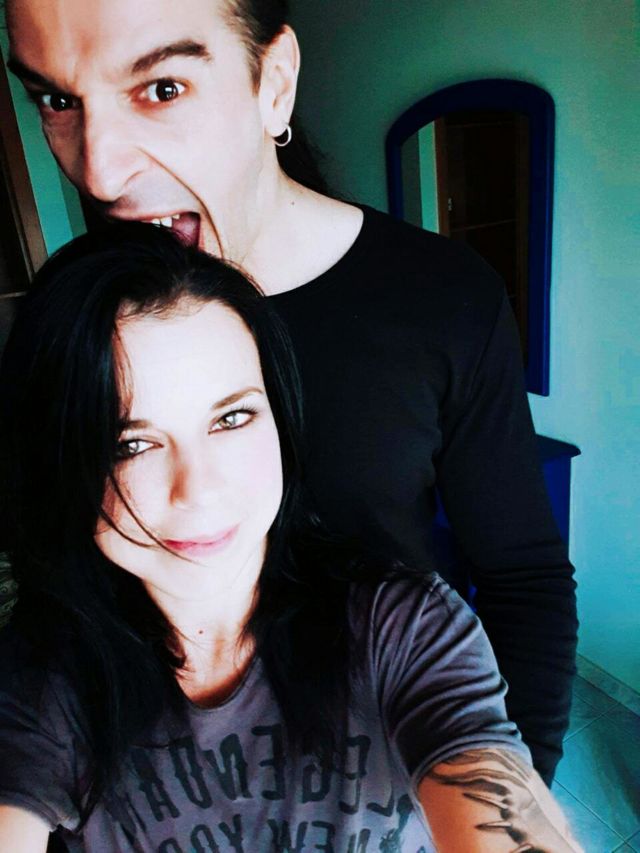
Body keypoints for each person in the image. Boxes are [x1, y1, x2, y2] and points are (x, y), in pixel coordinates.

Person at [3, 0, 577, 783]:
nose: (98, 172)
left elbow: (523, 577)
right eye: (57, 99)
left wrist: (515, 791)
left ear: (273, 84)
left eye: (161, 88)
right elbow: (57, 589)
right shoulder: (71, 322)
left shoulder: (444, 299)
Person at [0, 224, 582, 852]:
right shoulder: (38, 685)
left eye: (232, 417)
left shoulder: (399, 626)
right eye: (130, 444)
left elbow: (490, 786)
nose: (200, 490)